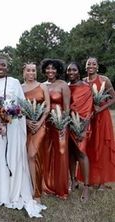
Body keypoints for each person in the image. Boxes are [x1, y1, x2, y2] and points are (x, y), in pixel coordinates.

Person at [0, 53, 46, 218]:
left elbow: (20, 106)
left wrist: (7, 117)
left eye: (3, 65)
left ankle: (12, 192)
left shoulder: (14, 82)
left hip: (12, 127)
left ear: (7, 67)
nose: (0, 67)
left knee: (10, 158)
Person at [41, 58, 71, 199]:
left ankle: (61, 188)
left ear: (58, 70)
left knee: (61, 153)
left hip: (60, 123)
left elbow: (67, 108)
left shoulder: (63, 85)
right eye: (48, 68)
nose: (50, 71)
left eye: (53, 68)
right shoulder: (42, 85)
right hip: (45, 123)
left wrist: (62, 124)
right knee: (46, 153)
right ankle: (46, 186)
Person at [83, 57, 115, 188]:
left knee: (101, 147)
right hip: (88, 117)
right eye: (88, 64)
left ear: (97, 67)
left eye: (93, 64)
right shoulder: (83, 81)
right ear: (85, 67)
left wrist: (100, 108)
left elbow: (113, 98)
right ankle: (90, 179)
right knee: (89, 147)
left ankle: (101, 181)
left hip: (102, 117)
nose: (91, 66)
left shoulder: (104, 80)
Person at [21, 63, 50, 202]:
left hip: (40, 125)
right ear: (24, 72)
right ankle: (29, 187)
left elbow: (48, 108)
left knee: (32, 154)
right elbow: (18, 108)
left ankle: (37, 193)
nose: (31, 72)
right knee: (28, 157)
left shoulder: (43, 86)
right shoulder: (20, 88)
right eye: (28, 70)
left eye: (33, 70)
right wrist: (26, 121)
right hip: (25, 127)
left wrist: (39, 123)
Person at [66, 62, 93, 201]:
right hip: (67, 125)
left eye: (74, 70)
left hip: (82, 125)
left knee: (82, 153)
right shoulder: (66, 86)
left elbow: (89, 110)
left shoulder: (86, 87)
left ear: (78, 71)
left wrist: (82, 129)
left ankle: (86, 187)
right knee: (70, 154)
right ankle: (73, 180)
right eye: (69, 70)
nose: (71, 72)